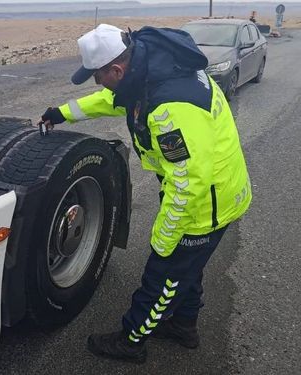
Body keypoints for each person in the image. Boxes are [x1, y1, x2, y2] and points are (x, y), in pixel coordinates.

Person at [39, 24, 252, 363]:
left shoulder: (170, 106)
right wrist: (61, 113)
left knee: (163, 274)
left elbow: (189, 182)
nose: (98, 82)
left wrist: (163, 238)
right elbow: (112, 100)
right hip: (210, 187)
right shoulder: (152, 69)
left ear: (117, 69)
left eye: (98, 75)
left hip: (206, 202)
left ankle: (132, 340)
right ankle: (184, 325)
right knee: (188, 269)